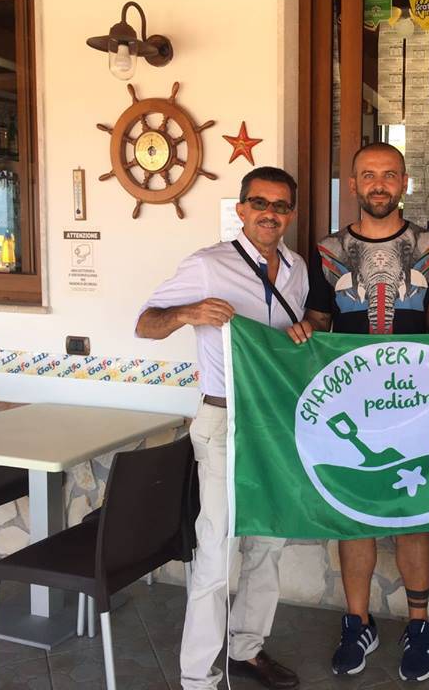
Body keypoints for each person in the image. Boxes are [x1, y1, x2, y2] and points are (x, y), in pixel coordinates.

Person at [287, 141, 429, 683]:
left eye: (389, 175)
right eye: (368, 175)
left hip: (412, 404)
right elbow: (320, 319)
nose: (379, 184)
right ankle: (357, 621)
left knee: (415, 512)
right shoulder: (327, 250)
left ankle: (419, 625)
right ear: (353, 183)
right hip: (351, 402)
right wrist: (304, 330)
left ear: (405, 181)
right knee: (354, 512)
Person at [136, 167, 305, 690]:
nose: (269, 214)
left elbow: (290, 342)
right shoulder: (209, 265)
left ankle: (247, 649)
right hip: (224, 419)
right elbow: (145, 323)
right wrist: (188, 312)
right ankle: (198, 676)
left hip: (276, 422)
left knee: (269, 543)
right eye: (259, 203)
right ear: (241, 209)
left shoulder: (297, 269)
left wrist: (305, 332)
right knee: (216, 551)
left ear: (290, 214)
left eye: (280, 205)